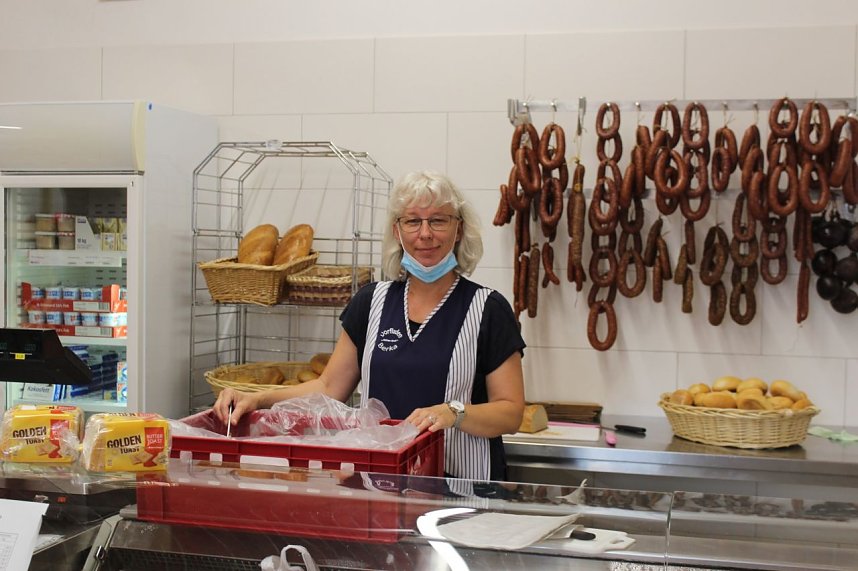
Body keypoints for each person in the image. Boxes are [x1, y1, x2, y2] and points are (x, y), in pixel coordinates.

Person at [214, 170, 526, 480]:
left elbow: (510, 412)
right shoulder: (371, 302)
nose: (425, 233)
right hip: (379, 483)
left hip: (462, 488)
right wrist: (256, 398)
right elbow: (327, 388)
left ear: (458, 230)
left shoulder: (487, 309)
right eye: (413, 221)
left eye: (439, 220)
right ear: (398, 231)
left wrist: (454, 413)